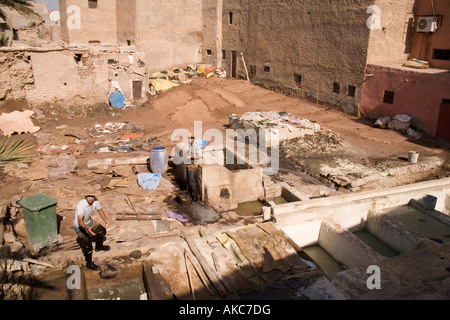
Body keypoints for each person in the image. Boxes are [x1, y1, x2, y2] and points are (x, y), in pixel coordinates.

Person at [73, 188, 111, 271]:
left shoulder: (96, 201)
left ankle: (99, 246)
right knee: (87, 246)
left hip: (88, 221)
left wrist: (105, 220)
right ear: (86, 197)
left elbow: (100, 210)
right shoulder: (81, 205)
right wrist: (87, 229)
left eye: (92, 196)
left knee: (102, 231)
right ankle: (89, 263)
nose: (90, 198)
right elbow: (80, 221)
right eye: (88, 197)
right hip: (80, 225)